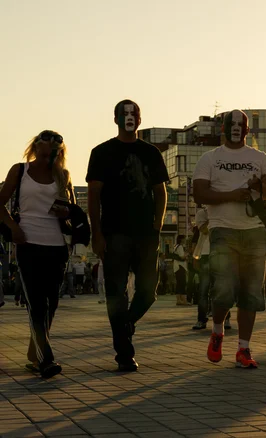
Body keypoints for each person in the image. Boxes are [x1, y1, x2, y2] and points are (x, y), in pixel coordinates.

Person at [193, 109, 266, 368]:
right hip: (223, 230)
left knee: (251, 293)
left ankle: (243, 349)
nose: (236, 129)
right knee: (224, 289)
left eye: (240, 125)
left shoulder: (260, 158)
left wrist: (258, 186)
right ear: (223, 129)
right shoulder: (210, 159)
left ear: (247, 130)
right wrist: (232, 194)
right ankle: (218, 331)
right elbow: (200, 193)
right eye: (231, 125)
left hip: (255, 231)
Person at [86, 99, 169, 372]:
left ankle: (126, 324)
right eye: (125, 114)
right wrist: (96, 234)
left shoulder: (151, 153)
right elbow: (94, 196)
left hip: (146, 233)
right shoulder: (102, 152)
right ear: (116, 119)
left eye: (134, 114)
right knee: (116, 294)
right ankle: (124, 353)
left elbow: (161, 192)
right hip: (114, 233)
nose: (130, 118)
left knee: (148, 291)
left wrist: (157, 227)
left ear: (140, 120)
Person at [0, 130, 74, 378]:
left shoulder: (62, 175)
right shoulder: (20, 171)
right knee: (36, 304)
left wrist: (66, 213)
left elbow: (71, 210)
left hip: (56, 246)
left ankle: (35, 354)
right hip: (28, 242)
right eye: (46, 139)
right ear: (35, 144)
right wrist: (13, 228)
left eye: (56, 142)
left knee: (51, 303)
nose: (50, 144)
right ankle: (46, 360)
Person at [192, 207, 211, 330]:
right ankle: (201, 319)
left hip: (222, 253)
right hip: (206, 255)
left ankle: (226, 318)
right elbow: (204, 230)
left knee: (221, 289)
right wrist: (214, 216)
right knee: (203, 290)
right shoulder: (202, 213)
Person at [172, 235, 189, 306]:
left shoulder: (176, 246)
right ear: (182, 239)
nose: (185, 240)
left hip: (176, 267)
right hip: (180, 267)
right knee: (182, 283)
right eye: (184, 239)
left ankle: (179, 300)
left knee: (179, 283)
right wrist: (187, 254)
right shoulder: (180, 247)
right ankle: (184, 300)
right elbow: (182, 257)